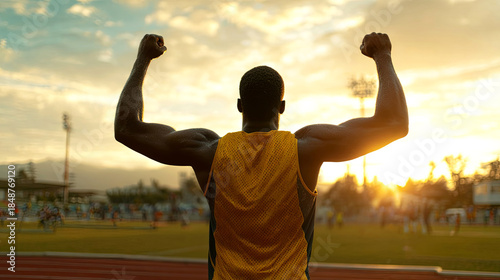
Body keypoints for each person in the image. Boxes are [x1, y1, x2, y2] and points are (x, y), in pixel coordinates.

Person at [115, 32, 408, 279]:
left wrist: (143, 59)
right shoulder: (306, 147)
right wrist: (383, 55)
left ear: (240, 105)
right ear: (281, 107)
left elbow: (127, 128)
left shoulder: (205, 150)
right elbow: (393, 123)